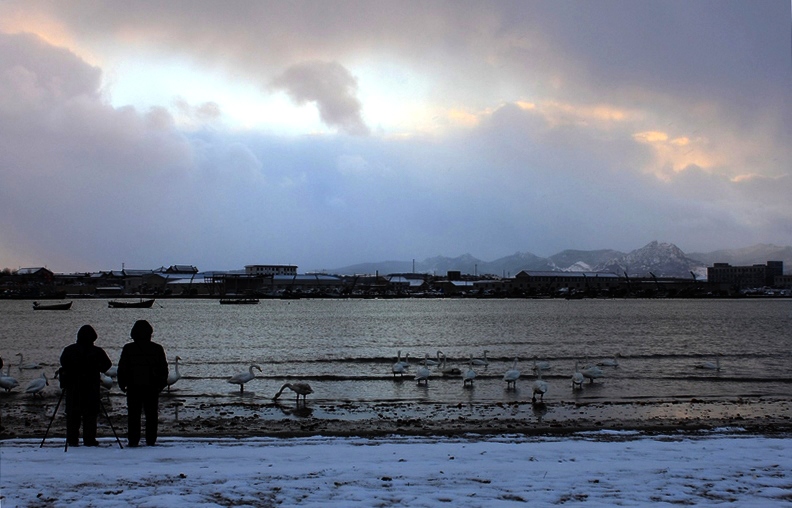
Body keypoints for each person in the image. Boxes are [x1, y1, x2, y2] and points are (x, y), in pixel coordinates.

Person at [117, 320, 168, 447]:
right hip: (151, 387)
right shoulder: (157, 348)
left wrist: (122, 383)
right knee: (151, 415)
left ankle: (133, 440)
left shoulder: (128, 348)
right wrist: (160, 386)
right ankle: (151, 440)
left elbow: (122, 368)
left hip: (133, 386)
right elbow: (164, 370)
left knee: (133, 415)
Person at [59, 325, 112, 447]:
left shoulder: (69, 350)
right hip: (91, 388)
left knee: (73, 415)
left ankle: (72, 440)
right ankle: (89, 440)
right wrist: (94, 367)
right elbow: (106, 366)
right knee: (90, 415)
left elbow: (63, 363)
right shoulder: (97, 352)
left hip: (73, 387)